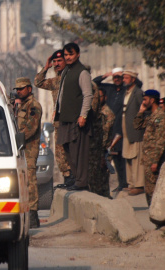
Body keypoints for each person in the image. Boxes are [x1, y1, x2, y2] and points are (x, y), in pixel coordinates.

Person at [92, 67, 140, 192]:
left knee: (124, 157)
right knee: (114, 158)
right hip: (110, 129)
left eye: (120, 77)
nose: (118, 79)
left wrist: (125, 74)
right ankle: (121, 183)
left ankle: (127, 183)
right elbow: (94, 83)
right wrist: (106, 75)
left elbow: (139, 84)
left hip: (122, 128)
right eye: (116, 77)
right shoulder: (110, 88)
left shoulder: (127, 89)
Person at [55, 43, 93, 191]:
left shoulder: (82, 72)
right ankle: (76, 179)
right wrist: (56, 110)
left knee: (79, 152)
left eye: (70, 54)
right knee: (68, 151)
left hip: (77, 120)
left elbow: (88, 95)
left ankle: (82, 182)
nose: (68, 57)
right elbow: (62, 94)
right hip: (65, 117)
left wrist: (83, 115)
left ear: (77, 54)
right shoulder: (66, 71)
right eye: (66, 55)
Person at [34, 50, 74, 186]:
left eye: (59, 61)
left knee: (72, 149)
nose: (56, 64)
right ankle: (68, 177)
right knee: (60, 151)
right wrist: (46, 67)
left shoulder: (72, 77)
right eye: (55, 62)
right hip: (59, 121)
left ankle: (75, 177)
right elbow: (38, 83)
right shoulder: (55, 81)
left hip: (72, 121)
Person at [14, 77, 42, 228]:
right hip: (20, 148)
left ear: (29, 89)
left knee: (30, 181)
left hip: (29, 148)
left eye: (21, 88)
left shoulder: (33, 106)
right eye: (17, 89)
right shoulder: (21, 105)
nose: (18, 91)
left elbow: (31, 128)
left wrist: (16, 140)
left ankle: (33, 214)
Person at [133, 90, 165, 206]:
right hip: (148, 159)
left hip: (154, 160)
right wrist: (140, 112)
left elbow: (160, 140)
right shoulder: (151, 116)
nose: (143, 102)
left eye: (145, 99)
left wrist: (155, 161)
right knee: (148, 190)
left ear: (152, 100)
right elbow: (137, 126)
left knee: (154, 190)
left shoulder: (160, 117)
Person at [121, 70, 145, 196]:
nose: (124, 80)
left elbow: (144, 111)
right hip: (126, 131)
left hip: (135, 131)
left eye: (126, 78)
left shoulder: (138, 93)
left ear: (133, 79)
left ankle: (139, 184)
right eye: (123, 77)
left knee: (137, 158)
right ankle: (130, 183)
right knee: (127, 156)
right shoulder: (125, 93)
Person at [89, 88, 115, 197]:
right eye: (96, 97)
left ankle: (106, 200)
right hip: (95, 150)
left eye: (100, 96)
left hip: (103, 150)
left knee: (102, 180)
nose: (98, 99)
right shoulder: (95, 111)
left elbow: (105, 133)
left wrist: (101, 151)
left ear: (105, 97)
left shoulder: (107, 113)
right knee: (94, 180)